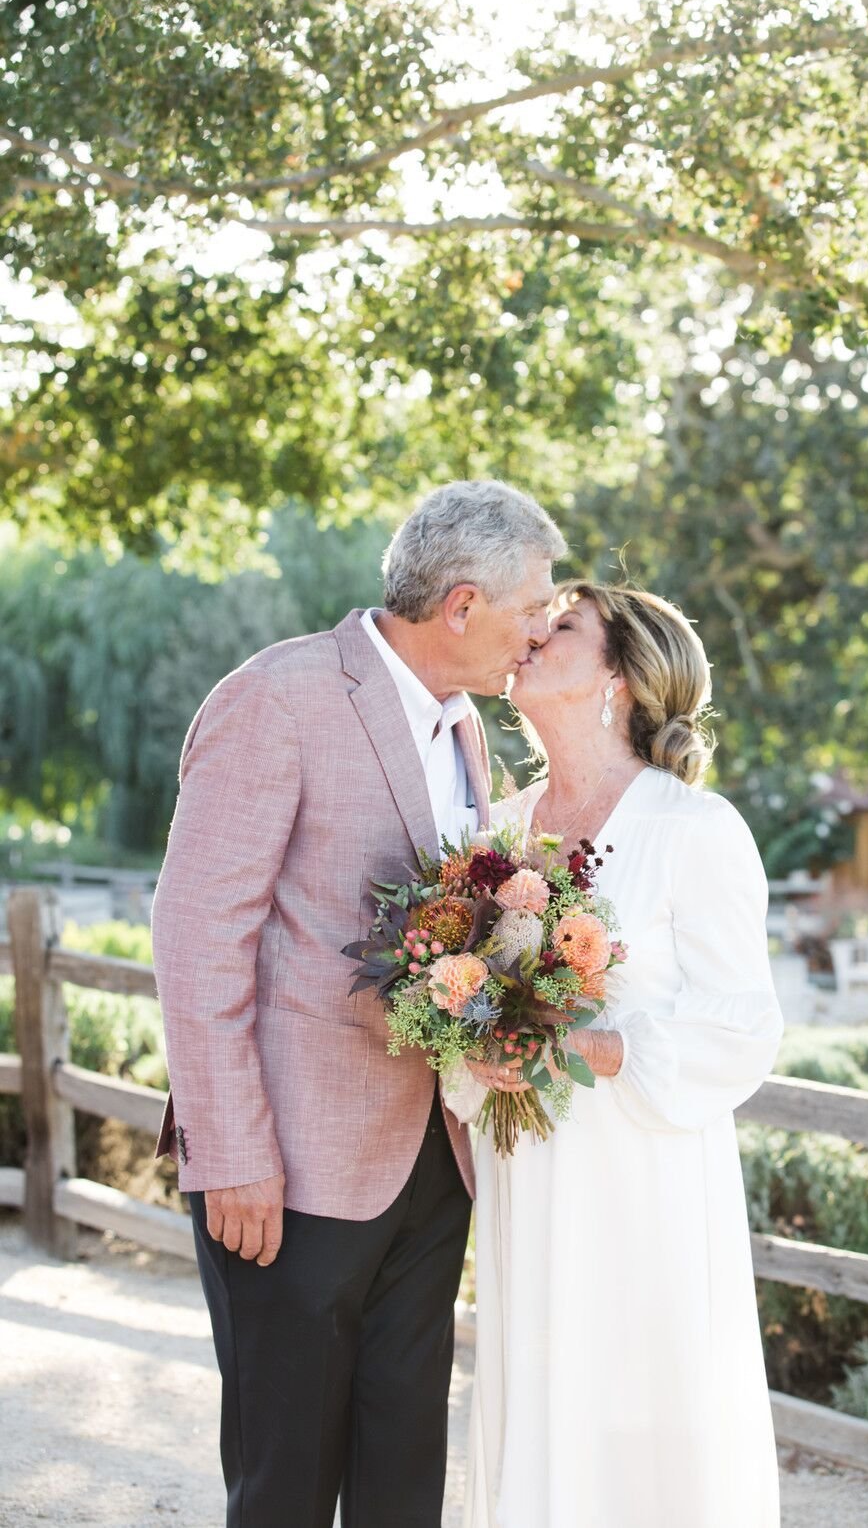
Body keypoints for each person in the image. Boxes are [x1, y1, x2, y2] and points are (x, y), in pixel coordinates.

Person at [150, 480, 565, 1528]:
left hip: (433, 1165)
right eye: (533, 608)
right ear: (464, 606)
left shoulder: (466, 726)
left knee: (402, 1471)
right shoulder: (277, 697)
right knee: (285, 1479)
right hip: (286, 1168)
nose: (543, 630)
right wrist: (232, 1154)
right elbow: (199, 940)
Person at [447, 581, 784, 1528]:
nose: (531, 637)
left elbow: (743, 1026)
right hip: (532, 1171)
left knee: (642, 1400)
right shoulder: (500, 835)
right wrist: (477, 1060)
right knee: (540, 1393)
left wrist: (595, 1045)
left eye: (561, 629)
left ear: (621, 680)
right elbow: (463, 1005)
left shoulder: (694, 830)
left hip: (646, 1176)